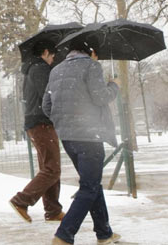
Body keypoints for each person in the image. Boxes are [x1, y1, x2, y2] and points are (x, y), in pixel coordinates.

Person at [43, 42, 122, 245]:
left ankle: (104, 234)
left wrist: (64, 122)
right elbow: (100, 97)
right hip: (89, 136)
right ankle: (64, 235)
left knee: (92, 184)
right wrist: (114, 86)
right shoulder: (91, 66)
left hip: (68, 138)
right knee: (89, 187)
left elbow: (46, 106)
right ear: (92, 52)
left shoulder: (56, 70)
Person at [9, 41, 64, 224]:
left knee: (49, 167)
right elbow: (49, 96)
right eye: (52, 55)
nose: (53, 59)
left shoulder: (33, 69)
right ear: (46, 51)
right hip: (42, 123)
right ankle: (21, 201)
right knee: (52, 169)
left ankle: (53, 210)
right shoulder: (40, 68)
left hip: (37, 122)